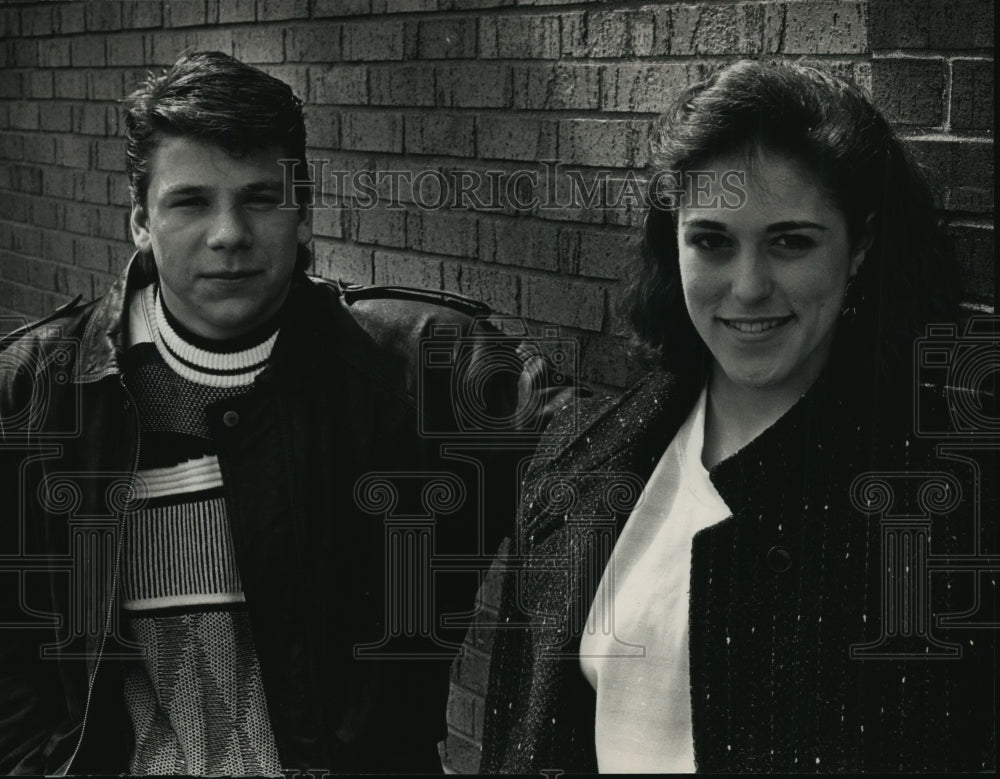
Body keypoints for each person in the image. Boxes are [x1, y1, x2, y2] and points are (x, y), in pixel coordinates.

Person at [0, 51, 567, 775]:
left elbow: (602, 458)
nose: (229, 233)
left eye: (261, 198)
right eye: (191, 202)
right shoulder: (38, 392)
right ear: (140, 219)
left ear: (302, 212)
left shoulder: (413, 370)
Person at [480, 60, 996, 773]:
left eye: (791, 241)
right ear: (674, 243)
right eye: (712, 241)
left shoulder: (945, 498)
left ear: (860, 246)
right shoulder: (576, 459)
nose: (748, 287)